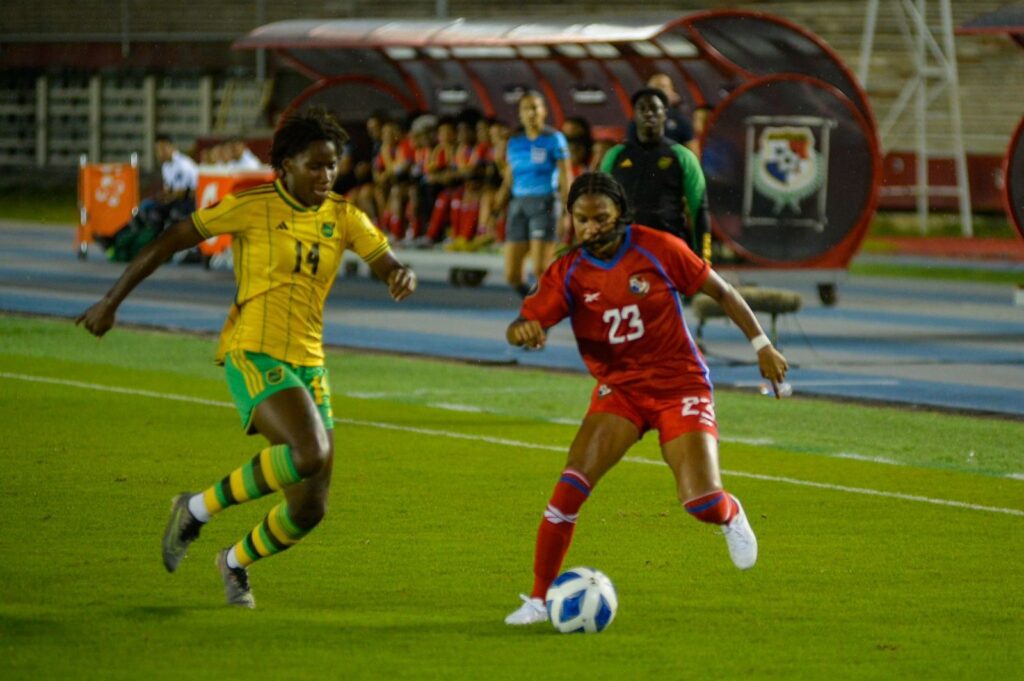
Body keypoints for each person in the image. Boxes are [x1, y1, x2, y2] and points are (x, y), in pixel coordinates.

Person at [76, 107, 418, 608]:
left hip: (309, 361)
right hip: (253, 350)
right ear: (286, 165)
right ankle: (195, 508)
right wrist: (110, 302)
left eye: (332, 165)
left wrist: (400, 275)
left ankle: (234, 562)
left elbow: (387, 261)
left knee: (310, 508)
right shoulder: (251, 206)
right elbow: (172, 239)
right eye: (315, 165)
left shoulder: (343, 215)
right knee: (310, 453)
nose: (326, 175)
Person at [502, 172, 788, 626]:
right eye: (581, 220)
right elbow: (523, 324)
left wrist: (762, 345)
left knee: (700, 502)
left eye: (600, 218)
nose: (590, 228)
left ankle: (730, 513)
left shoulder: (658, 247)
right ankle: (538, 600)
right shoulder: (567, 271)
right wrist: (524, 331)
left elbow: (722, 291)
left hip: (680, 385)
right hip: (621, 391)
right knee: (567, 492)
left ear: (620, 213)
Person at [602, 87, 712, 262]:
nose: (648, 113)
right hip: (625, 250)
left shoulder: (683, 156)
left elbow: (699, 208)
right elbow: (602, 205)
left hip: (669, 250)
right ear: (634, 115)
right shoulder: (615, 155)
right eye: (642, 109)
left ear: (665, 114)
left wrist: (703, 256)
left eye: (654, 108)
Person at [494, 91, 572, 297]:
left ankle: (550, 310)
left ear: (544, 111)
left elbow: (566, 175)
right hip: (518, 205)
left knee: (540, 269)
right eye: (526, 109)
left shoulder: (554, 138)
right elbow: (510, 175)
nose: (531, 113)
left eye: (535, 108)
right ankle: (535, 306)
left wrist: (567, 212)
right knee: (512, 275)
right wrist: (498, 203)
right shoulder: (514, 141)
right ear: (520, 114)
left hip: (545, 204)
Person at [638, 73, 694, 146]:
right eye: (654, 87)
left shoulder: (680, 118)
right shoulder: (638, 119)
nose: (658, 90)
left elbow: (692, 147)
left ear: (672, 90)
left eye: (663, 86)